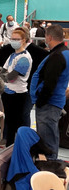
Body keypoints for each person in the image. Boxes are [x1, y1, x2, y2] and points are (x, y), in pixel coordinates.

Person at [30, 24, 69, 159]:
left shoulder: (58, 56)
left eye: (46, 36)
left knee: (47, 141)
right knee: (50, 136)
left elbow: (50, 83)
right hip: (52, 102)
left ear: (49, 37)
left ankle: (50, 167)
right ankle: (51, 165)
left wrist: (40, 101)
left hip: (49, 104)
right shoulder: (63, 52)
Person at [0, 27, 33, 147]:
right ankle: (9, 146)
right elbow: (2, 72)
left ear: (24, 40)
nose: (13, 41)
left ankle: (17, 147)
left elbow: (11, 77)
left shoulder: (24, 58)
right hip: (7, 93)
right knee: (8, 121)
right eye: (12, 38)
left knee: (15, 123)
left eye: (17, 39)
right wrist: (5, 75)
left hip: (18, 95)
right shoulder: (12, 55)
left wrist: (5, 76)